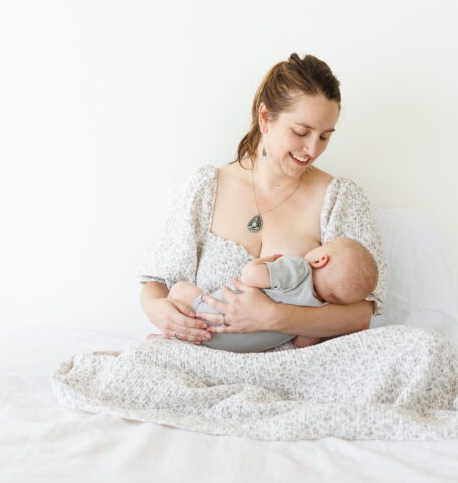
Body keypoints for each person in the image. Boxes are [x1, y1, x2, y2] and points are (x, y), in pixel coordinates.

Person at [137, 53, 388, 349]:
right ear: (265, 118)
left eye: (324, 136)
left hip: (297, 366)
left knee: (422, 349)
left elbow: (360, 314)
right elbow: (156, 283)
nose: (312, 149)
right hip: (203, 353)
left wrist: (274, 317)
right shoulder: (205, 188)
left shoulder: (340, 198)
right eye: (301, 132)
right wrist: (158, 310)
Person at [154, 238, 379, 352]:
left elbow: (251, 276)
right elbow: (303, 344)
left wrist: (265, 262)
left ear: (321, 259)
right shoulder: (319, 313)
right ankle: (172, 341)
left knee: (180, 290)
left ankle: (170, 338)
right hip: (237, 349)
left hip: (208, 315)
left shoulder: (299, 268)